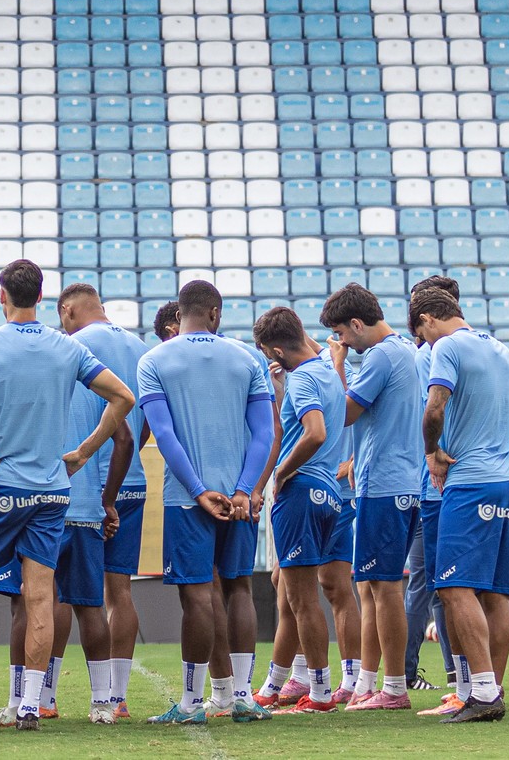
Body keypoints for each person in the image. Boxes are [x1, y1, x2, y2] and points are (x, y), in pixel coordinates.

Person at [0, 259, 135, 732]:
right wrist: (81, 453)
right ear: (41, 297)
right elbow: (123, 398)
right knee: (41, 598)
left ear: (2, 295)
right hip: (52, 493)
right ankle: (31, 707)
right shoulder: (66, 347)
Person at [136, 277, 274, 724]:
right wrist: (242, 490)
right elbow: (264, 433)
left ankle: (193, 704)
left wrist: (198, 490)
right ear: (215, 314)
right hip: (238, 497)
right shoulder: (247, 357)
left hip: (186, 498)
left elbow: (165, 435)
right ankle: (243, 698)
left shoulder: (154, 359)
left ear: (179, 315)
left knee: (197, 596)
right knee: (238, 589)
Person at [416, 284, 509, 724]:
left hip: (469, 484)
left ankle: (484, 694)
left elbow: (435, 408)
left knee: (454, 588)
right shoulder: (502, 351)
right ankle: (487, 690)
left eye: (423, 334)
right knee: (495, 592)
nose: (424, 343)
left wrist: (433, 453)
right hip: (504, 484)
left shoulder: (448, 347)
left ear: (429, 320)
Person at [323, 283, 424, 711]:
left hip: (386, 483)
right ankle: (366, 682)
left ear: (358, 324)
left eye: (343, 333)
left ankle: (395, 687)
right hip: (396, 481)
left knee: (383, 587)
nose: (343, 341)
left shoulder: (382, 355)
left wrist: (335, 365)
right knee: (370, 585)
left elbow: (344, 412)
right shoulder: (405, 351)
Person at [247, 307, 350, 715]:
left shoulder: (305, 377)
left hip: (302, 489)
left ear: (275, 349)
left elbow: (315, 432)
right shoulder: (327, 372)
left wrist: (283, 472)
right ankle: (275, 684)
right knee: (284, 587)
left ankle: (320, 693)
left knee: (303, 599)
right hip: (328, 491)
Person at [57, 282, 149, 722]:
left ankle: (46, 696)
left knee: (59, 592)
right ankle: (118, 697)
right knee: (120, 592)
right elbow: (139, 425)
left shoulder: (73, 347)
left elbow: (91, 424)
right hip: (132, 478)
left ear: (69, 310)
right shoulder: (141, 348)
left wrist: (102, 497)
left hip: (90, 485)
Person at [403, 276, 459, 699]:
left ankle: (452, 675)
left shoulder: (433, 353)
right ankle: (455, 675)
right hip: (438, 483)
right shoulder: (435, 354)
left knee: (432, 584)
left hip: (433, 484)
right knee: (442, 585)